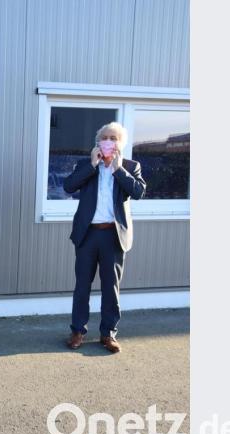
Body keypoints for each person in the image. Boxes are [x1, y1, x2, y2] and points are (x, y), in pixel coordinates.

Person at [63, 121, 146, 353]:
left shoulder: (131, 166)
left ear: (121, 143)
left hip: (113, 235)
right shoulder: (86, 164)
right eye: (105, 137)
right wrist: (92, 165)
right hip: (88, 234)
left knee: (111, 287)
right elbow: (69, 186)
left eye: (113, 138)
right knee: (82, 286)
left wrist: (118, 170)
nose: (109, 141)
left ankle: (108, 334)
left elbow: (138, 192)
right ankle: (77, 331)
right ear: (98, 142)